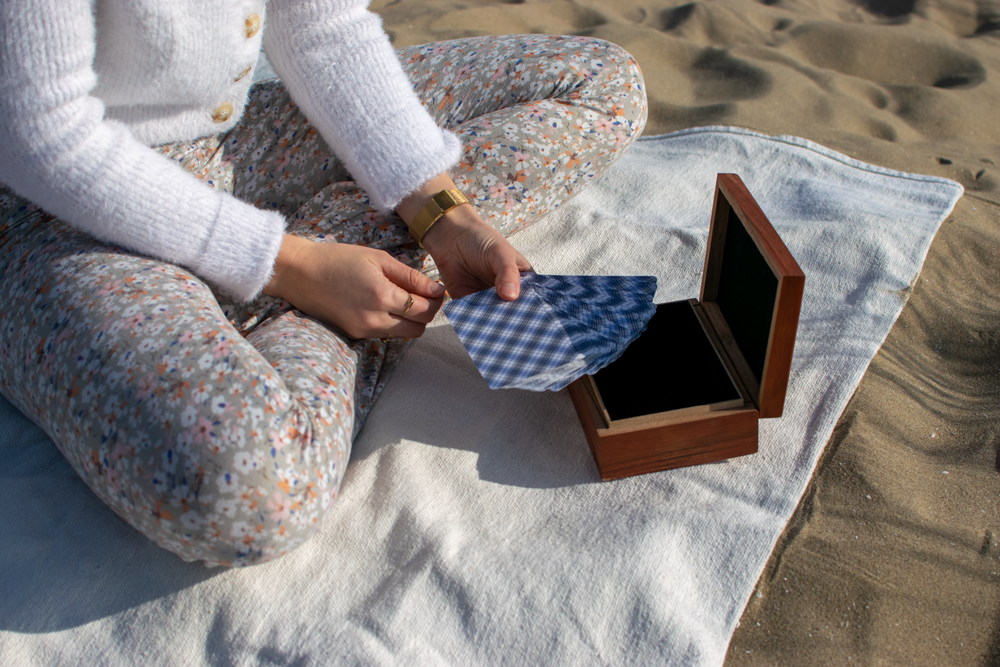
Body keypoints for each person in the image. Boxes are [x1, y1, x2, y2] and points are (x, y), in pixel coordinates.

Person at [0, 1, 647, 566]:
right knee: (253, 486)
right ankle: (332, 270)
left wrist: (440, 211)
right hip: (45, 215)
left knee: (601, 84)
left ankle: (341, 254)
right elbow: (39, 133)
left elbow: (322, 24)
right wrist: (295, 267)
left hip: (228, 141)